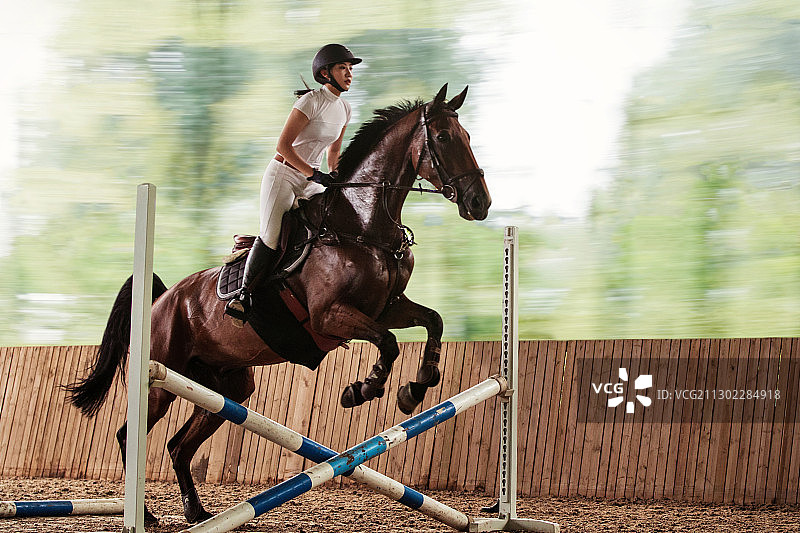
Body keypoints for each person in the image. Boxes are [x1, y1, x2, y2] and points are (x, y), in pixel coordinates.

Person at [226, 44, 361, 321]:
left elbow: (334, 152)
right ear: (325, 73)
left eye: (350, 68)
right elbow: (283, 146)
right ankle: (243, 295)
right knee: (271, 236)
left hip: (310, 180)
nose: (349, 73)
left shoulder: (345, 108)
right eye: (342, 68)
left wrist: (337, 178)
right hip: (283, 176)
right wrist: (313, 174)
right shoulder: (310, 101)